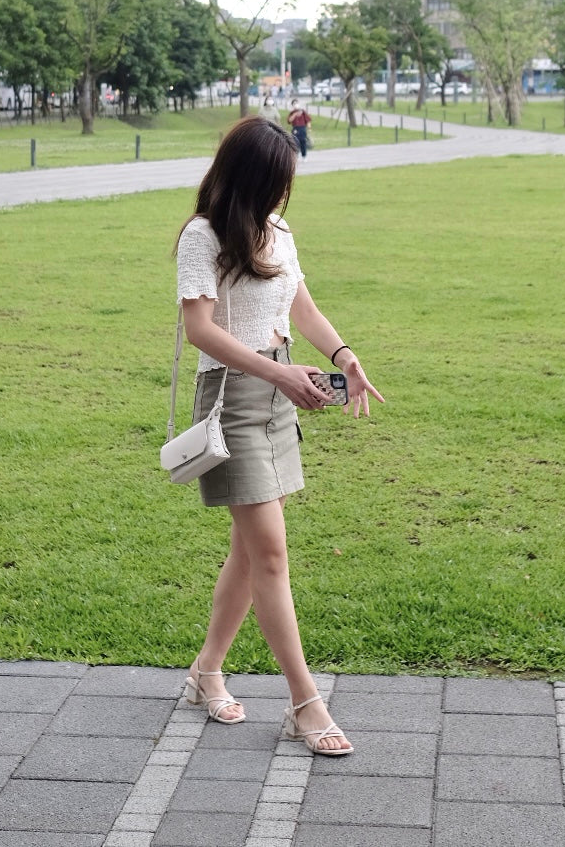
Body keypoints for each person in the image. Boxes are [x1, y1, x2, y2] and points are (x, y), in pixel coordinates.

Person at [175, 116, 384, 756]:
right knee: (269, 553)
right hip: (233, 398)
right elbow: (200, 332)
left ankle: (206, 671)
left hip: (279, 398)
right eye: (277, 179)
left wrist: (344, 355)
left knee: (250, 551)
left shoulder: (280, 230)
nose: (285, 192)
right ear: (251, 178)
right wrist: (278, 372)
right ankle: (306, 704)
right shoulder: (202, 236)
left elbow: (304, 308)